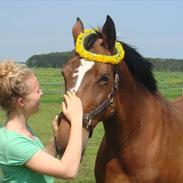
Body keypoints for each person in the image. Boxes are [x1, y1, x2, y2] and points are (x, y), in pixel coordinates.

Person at [0, 60, 83, 183]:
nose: (42, 93)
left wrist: (55, 139)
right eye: (37, 91)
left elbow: (39, 163)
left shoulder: (23, 131)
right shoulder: (12, 142)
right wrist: (77, 119)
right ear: (21, 102)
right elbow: (68, 171)